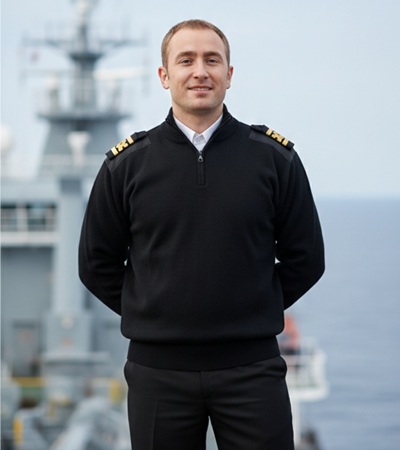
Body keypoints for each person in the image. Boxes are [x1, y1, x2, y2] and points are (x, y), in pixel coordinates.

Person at [78, 19, 325, 450]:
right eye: (185, 60)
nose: (200, 72)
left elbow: (307, 259)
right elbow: (95, 263)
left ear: (229, 74)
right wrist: (154, 311)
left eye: (212, 60)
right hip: (158, 374)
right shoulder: (125, 166)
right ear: (164, 76)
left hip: (252, 370)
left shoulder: (274, 159)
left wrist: (251, 308)